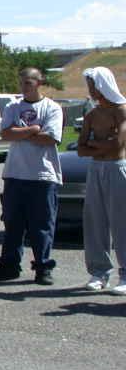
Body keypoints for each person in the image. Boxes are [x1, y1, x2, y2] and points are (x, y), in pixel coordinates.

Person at [0, 67, 63, 285]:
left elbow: (50, 138)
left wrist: (20, 133)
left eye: (28, 82)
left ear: (39, 83)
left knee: (42, 225)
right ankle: (9, 266)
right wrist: (33, 130)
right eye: (21, 82)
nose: (23, 87)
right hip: (15, 174)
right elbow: (5, 133)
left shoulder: (52, 108)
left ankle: (42, 267)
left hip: (42, 175)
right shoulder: (12, 107)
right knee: (13, 223)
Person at [77, 67, 126, 295]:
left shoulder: (121, 110)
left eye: (92, 85)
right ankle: (99, 271)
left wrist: (96, 143)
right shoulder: (92, 115)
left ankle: (125, 274)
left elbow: (118, 145)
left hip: (118, 168)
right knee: (95, 220)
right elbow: (81, 148)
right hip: (96, 168)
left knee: (121, 221)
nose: (90, 90)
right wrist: (103, 143)